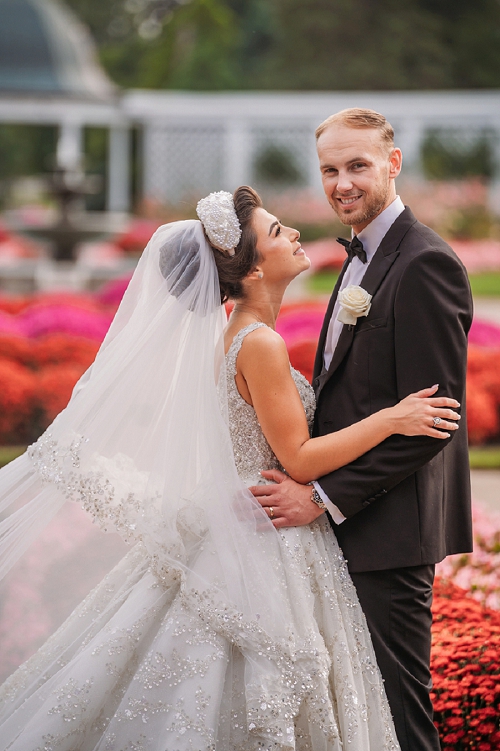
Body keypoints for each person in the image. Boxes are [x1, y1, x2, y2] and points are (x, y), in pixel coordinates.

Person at [0, 187, 460, 751]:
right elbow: (298, 459)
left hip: (250, 523)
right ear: (250, 272)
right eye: (275, 232)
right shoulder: (258, 342)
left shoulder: (237, 334)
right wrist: (393, 417)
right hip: (267, 538)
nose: (292, 234)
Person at [249, 109, 473, 751]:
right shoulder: (359, 259)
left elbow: (433, 421)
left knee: (400, 719)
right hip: (347, 530)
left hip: (390, 534)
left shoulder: (425, 263)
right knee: (356, 720)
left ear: (393, 164)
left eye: (358, 166)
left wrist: (318, 499)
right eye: (329, 169)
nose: (342, 183)